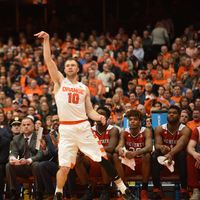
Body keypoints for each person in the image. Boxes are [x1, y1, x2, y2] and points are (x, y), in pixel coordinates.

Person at [34, 31, 137, 200]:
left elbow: (90, 111)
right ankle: (58, 194)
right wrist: (46, 40)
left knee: (103, 159)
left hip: (83, 126)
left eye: (72, 65)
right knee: (65, 167)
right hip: (66, 129)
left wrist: (99, 117)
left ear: (78, 68)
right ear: (64, 69)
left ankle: (124, 190)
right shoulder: (59, 81)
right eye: (67, 65)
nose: (69, 67)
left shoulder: (84, 88)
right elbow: (48, 61)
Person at [75, 107, 119, 200]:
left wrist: (91, 149)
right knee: (77, 158)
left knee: (106, 155)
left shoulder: (113, 129)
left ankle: (105, 191)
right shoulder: (89, 130)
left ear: (107, 118)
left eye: (102, 115)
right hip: (92, 161)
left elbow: (111, 148)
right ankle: (87, 191)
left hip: (107, 163)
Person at [151, 106, 191, 200]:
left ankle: (184, 190)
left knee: (181, 154)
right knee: (155, 154)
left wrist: (170, 154)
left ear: (179, 116)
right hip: (164, 160)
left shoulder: (185, 129)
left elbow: (181, 144)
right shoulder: (159, 128)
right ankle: (156, 190)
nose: (171, 114)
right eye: (169, 113)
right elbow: (157, 145)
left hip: (178, 161)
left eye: (174, 113)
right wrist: (161, 147)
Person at [113, 110, 152, 200]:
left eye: (135, 119)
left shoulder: (146, 131)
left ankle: (144, 191)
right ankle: (124, 191)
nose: (132, 121)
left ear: (140, 122)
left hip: (142, 164)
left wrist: (136, 153)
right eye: (130, 119)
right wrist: (120, 150)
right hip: (129, 163)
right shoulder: (124, 132)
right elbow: (118, 147)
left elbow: (149, 147)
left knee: (147, 155)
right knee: (115, 156)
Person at [6, 117, 44, 200]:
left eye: (28, 125)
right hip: (22, 166)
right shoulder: (17, 138)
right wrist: (12, 158)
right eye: (24, 125)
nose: (26, 127)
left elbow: (40, 154)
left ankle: (39, 193)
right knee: (9, 165)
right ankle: (14, 193)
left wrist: (28, 160)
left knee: (36, 164)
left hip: (34, 165)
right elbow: (14, 152)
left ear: (33, 126)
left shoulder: (39, 136)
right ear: (21, 127)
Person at [186, 126, 200, 200]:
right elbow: (189, 147)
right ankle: (195, 190)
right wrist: (195, 154)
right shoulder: (197, 130)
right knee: (190, 157)